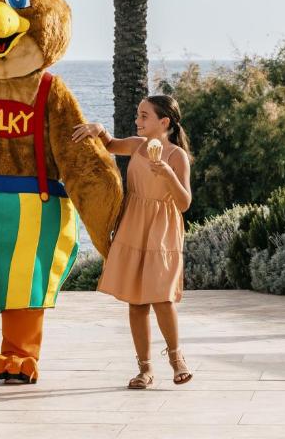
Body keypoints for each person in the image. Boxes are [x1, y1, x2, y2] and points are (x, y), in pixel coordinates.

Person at [72, 95, 193, 389]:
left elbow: (184, 203)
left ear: (164, 122)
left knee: (162, 298)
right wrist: (99, 129)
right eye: (138, 115)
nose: (137, 121)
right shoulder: (138, 146)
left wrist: (168, 175)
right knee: (136, 301)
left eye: (144, 116)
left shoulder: (176, 156)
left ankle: (176, 358)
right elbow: (111, 144)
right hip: (133, 224)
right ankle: (145, 369)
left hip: (162, 230)